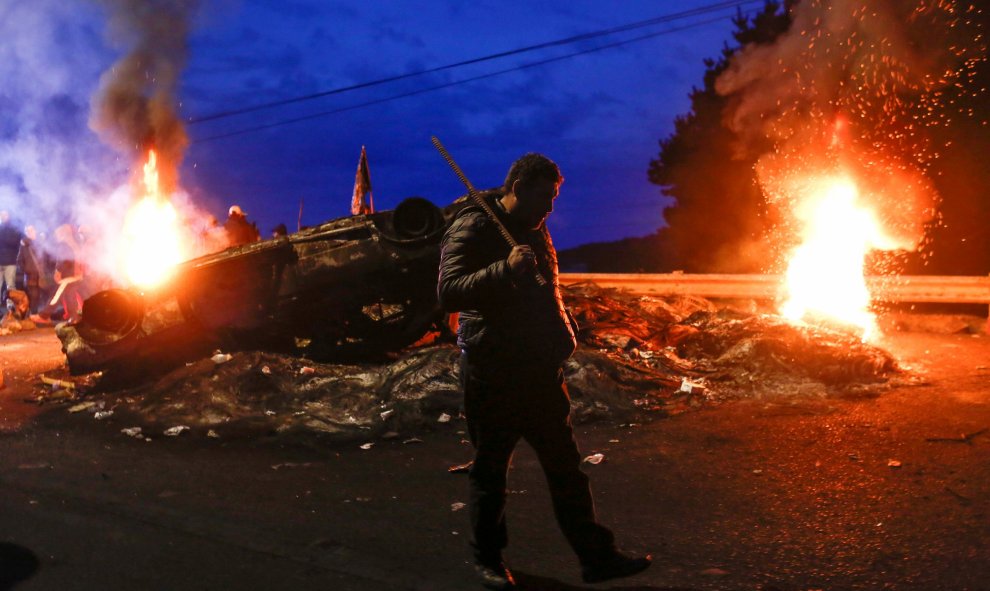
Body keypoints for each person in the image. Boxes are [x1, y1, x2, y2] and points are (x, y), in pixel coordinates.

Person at [438, 153, 651, 589]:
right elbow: (448, 291)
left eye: (554, 197)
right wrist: (504, 269)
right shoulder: (474, 224)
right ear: (516, 187)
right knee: (491, 471)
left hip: (538, 368)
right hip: (492, 369)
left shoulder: (536, 227)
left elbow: (545, 288)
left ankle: (597, 558)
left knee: (566, 468)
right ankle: (489, 561)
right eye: (544, 197)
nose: (551, 207)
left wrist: (564, 328)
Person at [0, 210, 24, 305]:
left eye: (4, 214)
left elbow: (15, 242)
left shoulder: (14, 228)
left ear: (9, 215)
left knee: (10, 286)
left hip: (10, 261)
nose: (2, 216)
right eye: (1, 214)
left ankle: (11, 307)